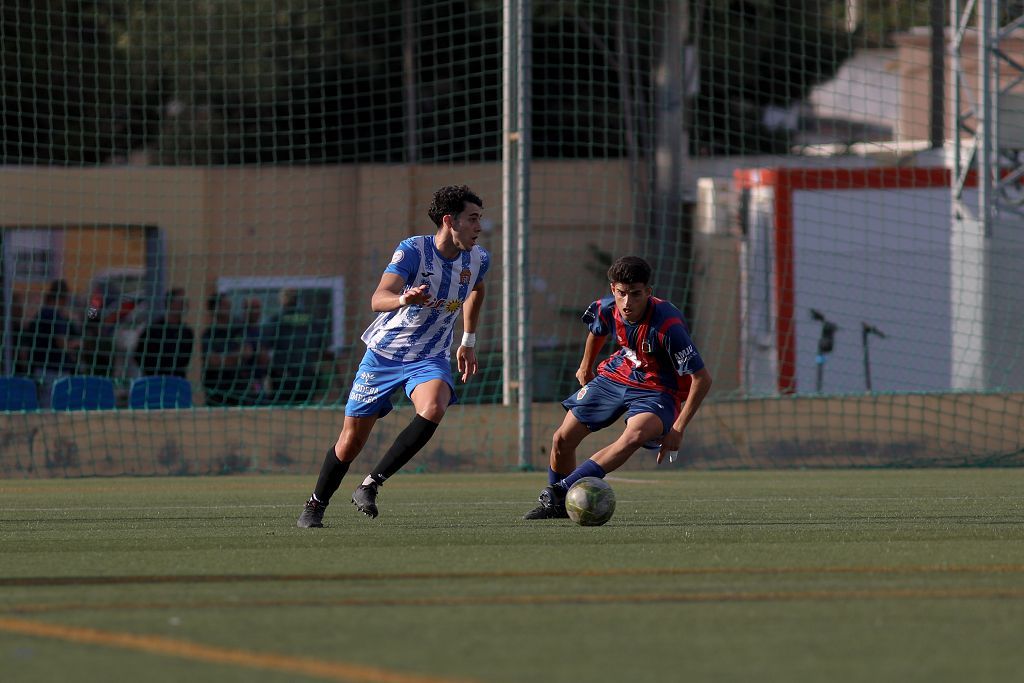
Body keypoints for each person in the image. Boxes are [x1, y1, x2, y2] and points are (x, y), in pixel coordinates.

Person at [296, 184, 488, 527]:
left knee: (434, 406)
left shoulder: (478, 258)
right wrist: (404, 299)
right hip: (384, 355)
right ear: (450, 221)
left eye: (479, 220)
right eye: (472, 219)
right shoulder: (414, 250)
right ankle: (315, 504)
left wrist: (468, 339)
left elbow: (477, 287)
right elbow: (378, 297)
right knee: (350, 441)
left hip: (429, 356)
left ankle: (370, 485)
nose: (479, 227)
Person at [523, 256, 713, 520]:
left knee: (635, 435)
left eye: (636, 294)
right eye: (622, 294)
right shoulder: (606, 307)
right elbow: (597, 330)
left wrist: (678, 428)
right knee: (561, 439)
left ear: (648, 292)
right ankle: (558, 507)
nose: (627, 302)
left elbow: (702, 378)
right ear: (613, 289)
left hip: (659, 388)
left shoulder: (668, 326)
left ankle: (560, 491)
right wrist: (585, 366)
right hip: (617, 374)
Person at [19, 278, 81, 407]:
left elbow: (25, 346)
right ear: (63, 298)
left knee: (44, 407)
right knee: (54, 410)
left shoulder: (40, 314)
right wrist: (74, 346)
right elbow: (61, 342)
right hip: (55, 371)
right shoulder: (54, 316)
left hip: (40, 369)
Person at [262, 288, 327, 405]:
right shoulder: (312, 321)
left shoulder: (276, 320)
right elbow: (321, 348)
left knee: (282, 414)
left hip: (283, 378)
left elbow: (264, 348)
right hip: (307, 375)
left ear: (282, 300)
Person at [200, 293, 254, 406]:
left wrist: (223, 358)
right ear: (215, 309)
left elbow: (247, 352)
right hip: (216, 390)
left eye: (229, 304)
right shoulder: (209, 334)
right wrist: (236, 357)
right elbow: (213, 362)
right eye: (225, 305)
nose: (229, 307)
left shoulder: (239, 329)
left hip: (239, 388)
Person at [134, 288, 195, 378]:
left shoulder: (186, 332)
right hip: (155, 381)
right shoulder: (154, 330)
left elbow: (185, 360)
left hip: (176, 381)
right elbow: (139, 355)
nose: (184, 304)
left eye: (185, 301)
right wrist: (152, 372)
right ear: (170, 303)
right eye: (180, 301)